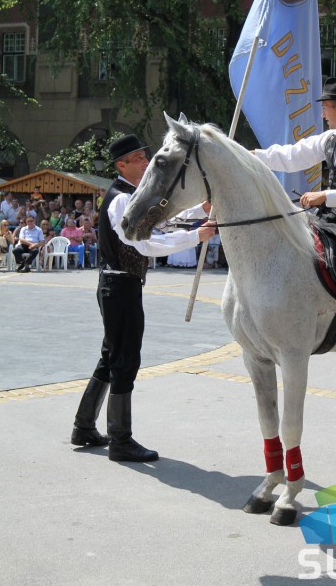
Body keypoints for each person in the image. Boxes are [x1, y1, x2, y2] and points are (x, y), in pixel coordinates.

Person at [70, 134, 217, 463]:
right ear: (121, 165)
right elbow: (144, 244)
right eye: (138, 158)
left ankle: (84, 426)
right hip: (120, 286)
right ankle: (120, 440)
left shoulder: (132, 196)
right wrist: (195, 236)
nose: (145, 162)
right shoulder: (122, 199)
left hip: (120, 285)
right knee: (124, 360)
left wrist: (199, 209)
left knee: (111, 357)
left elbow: (158, 220)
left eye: (144, 156)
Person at [254, 77, 336, 367]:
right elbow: (291, 156)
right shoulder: (329, 139)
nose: (322, 113)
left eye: (325, 107)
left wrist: (325, 196)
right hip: (329, 216)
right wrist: (250, 157)